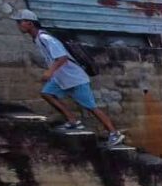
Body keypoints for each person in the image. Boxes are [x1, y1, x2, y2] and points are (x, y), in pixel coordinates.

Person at [13, 9, 124, 148]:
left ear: (30, 23)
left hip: (75, 78)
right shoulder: (37, 39)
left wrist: (50, 72)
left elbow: (62, 58)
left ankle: (114, 133)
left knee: (91, 107)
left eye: (20, 22)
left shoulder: (45, 38)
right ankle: (72, 120)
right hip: (62, 78)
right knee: (47, 93)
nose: (18, 25)